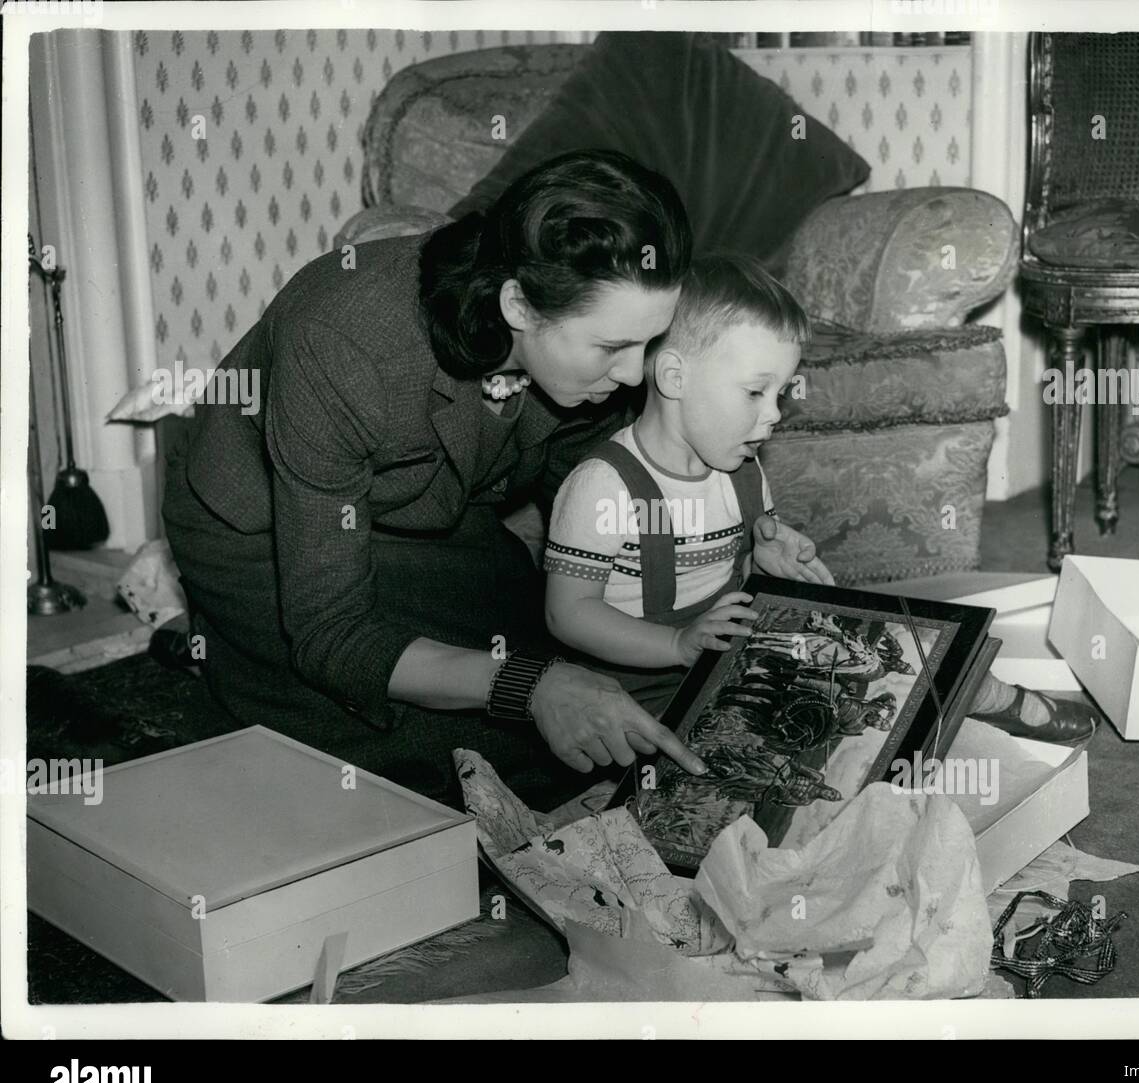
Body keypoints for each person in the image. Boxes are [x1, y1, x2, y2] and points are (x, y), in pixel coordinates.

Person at [163, 151, 825, 808]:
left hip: (436, 517)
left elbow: (603, 488)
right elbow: (332, 632)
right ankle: (222, 648)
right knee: (416, 781)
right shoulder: (343, 344)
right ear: (518, 305)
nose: (634, 377)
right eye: (611, 349)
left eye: (649, 345)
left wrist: (738, 542)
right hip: (264, 534)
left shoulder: (581, 341)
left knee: (582, 711)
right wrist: (531, 687)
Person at [542, 254, 1099, 742]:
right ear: (674, 376)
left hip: (729, 653)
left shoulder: (739, 465)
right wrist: (677, 644)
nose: (775, 413)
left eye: (781, 393)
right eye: (755, 391)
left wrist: (769, 555)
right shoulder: (602, 484)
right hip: (639, 692)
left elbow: (749, 550)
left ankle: (992, 698)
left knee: (898, 644)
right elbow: (568, 614)